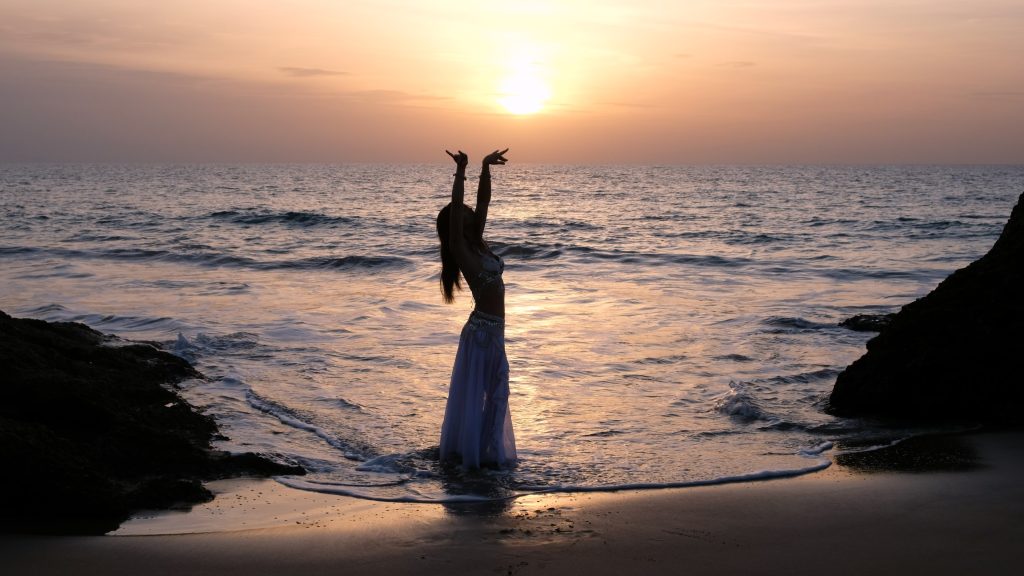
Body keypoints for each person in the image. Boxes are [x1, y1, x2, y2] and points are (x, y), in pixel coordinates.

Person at [436, 148, 517, 469]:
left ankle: (488, 453)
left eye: (469, 212)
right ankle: (475, 460)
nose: (470, 212)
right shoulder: (461, 250)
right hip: (481, 334)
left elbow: (484, 203)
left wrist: (485, 169)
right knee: (482, 398)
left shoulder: (478, 244)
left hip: (494, 334)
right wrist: (461, 171)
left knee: (498, 394)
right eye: (464, 212)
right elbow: (457, 218)